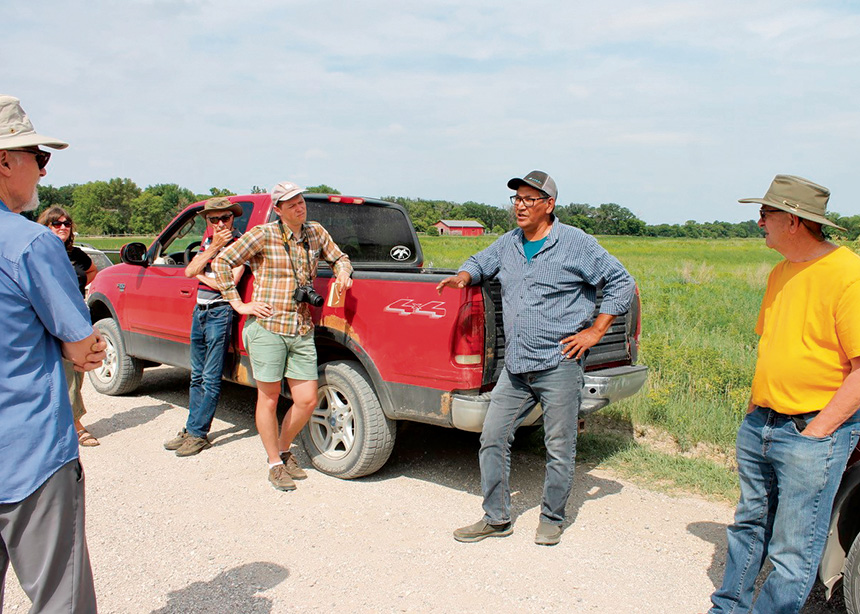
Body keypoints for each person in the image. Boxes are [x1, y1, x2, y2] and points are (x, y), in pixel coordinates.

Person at [437, 170, 635, 546]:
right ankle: (495, 519)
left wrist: (595, 332)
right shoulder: (509, 243)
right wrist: (464, 276)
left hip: (558, 363)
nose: (520, 206)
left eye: (530, 199)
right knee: (492, 438)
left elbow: (621, 281)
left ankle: (552, 517)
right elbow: (481, 260)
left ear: (549, 205)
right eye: (516, 199)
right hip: (517, 366)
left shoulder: (575, 243)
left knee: (559, 446)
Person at [708, 175, 860, 614]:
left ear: (793, 221)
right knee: (749, 525)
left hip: (810, 431)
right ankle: (728, 607)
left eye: (765, 214)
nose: (759, 223)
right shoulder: (781, 271)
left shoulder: (848, 275)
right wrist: (754, 411)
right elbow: (773, 346)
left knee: (794, 548)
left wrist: (818, 432)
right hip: (762, 424)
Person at [0, 95, 106, 612]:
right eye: (37, 157)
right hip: (26, 455)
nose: (42, 172)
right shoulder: (28, 243)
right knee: (58, 599)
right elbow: (83, 345)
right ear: (5, 161)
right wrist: (82, 347)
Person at [211, 181, 353, 491]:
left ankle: (285, 448)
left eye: (301, 201)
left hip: (301, 328)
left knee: (306, 399)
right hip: (268, 329)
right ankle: (274, 462)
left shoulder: (316, 232)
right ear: (278, 210)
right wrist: (238, 302)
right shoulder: (263, 235)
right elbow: (222, 261)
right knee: (270, 397)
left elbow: (339, 258)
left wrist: (343, 272)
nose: (300, 207)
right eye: (292, 204)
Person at [163, 197, 246, 457]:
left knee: (210, 378)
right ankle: (190, 429)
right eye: (214, 219)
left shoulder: (240, 245)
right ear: (207, 222)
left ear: (233, 218)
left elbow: (228, 283)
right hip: (199, 311)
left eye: (225, 218)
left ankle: (199, 434)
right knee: (196, 375)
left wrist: (199, 273)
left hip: (220, 313)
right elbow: (191, 270)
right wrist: (211, 253)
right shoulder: (209, 242)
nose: (220, 223)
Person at [38, 205, 101, 447]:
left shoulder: (76, 254)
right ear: (46, 226)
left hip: (77, 316)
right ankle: (69, 424)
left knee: (76, 371)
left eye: (66, 223)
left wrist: (78, 289)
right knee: (56, 372)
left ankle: (70, 422)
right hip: (50, 319)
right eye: (56, 223)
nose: (63, 227)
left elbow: (92, 271)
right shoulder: (40, 253)